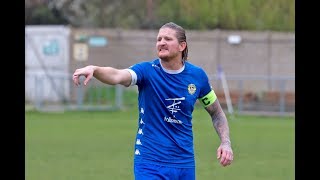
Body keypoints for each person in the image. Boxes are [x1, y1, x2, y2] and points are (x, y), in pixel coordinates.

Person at [72, 22, 233, 179]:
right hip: (149, 162)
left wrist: (225, 142)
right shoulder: (146, 71)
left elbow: (217, 113)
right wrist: (95, 69)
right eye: (159, 39)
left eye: (167, 39)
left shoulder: (197, 77)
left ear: (182, 46)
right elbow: (117, 75)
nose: (161, 43)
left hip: (184, 163)